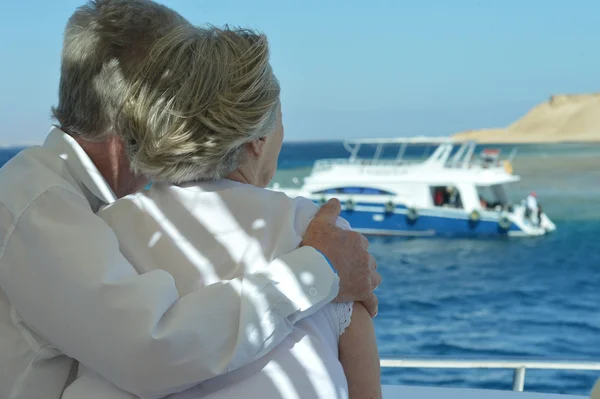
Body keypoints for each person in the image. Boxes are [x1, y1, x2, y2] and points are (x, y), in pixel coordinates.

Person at [0, 1, 380, 398]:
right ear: (141, 100)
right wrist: (318, 270)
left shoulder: (112, 212)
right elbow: (148, 353)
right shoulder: (38, 204)